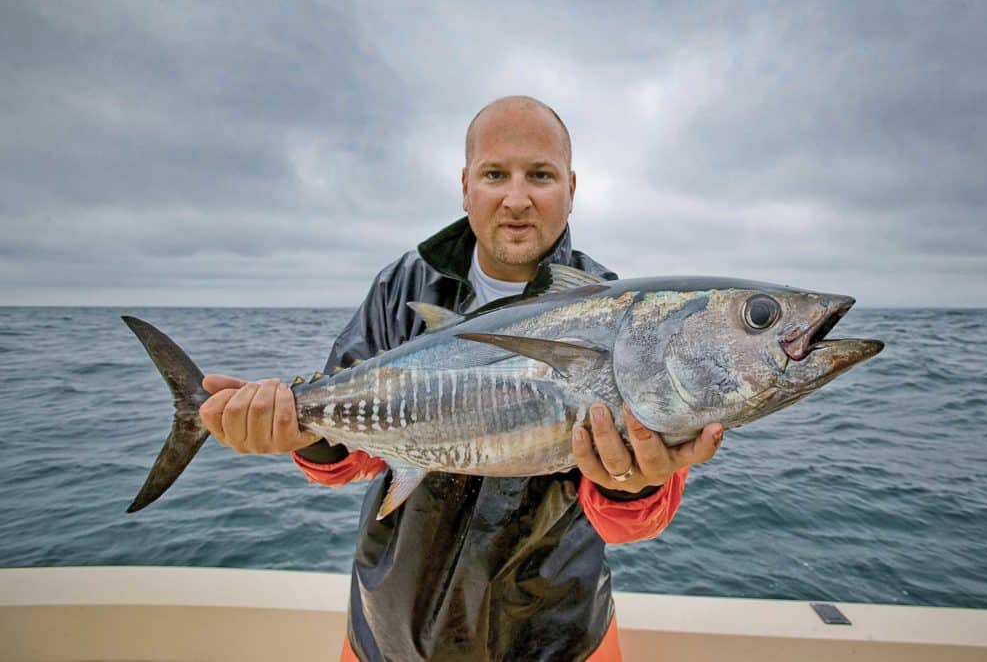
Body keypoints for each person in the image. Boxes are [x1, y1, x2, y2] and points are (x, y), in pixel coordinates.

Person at [199, 96, 725, 661]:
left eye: (540, 176)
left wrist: (634, 482)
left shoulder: (617, 312)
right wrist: (298, 432)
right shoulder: (403, 287)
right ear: (465, 185)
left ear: (571, 188)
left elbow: (630, 520)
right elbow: (351, 458)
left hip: (554, 640)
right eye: (495, 174)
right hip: (393, 632)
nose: (516, 198)